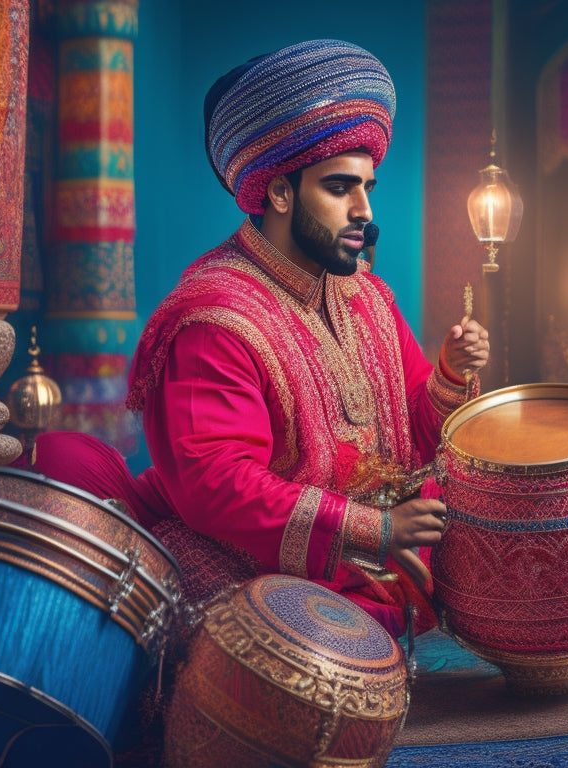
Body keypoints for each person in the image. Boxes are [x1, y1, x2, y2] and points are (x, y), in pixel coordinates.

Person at [26, 38, 490, 642]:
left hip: (364, 561)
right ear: (278, 192)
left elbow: (415, 432)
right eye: (340, 187)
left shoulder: (368, 298)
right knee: (297, 644)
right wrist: (374, 531)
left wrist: (451, 375)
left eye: (368, 187)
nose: (363, 209)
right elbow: (217, 484)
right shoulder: (215, 315)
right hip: (255, 561)